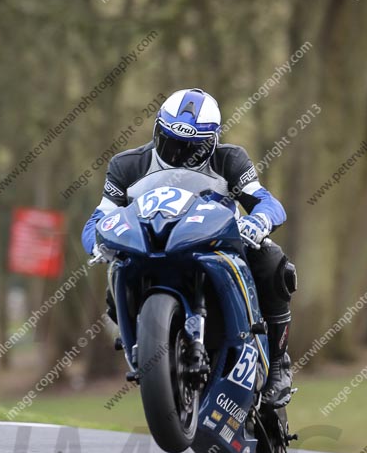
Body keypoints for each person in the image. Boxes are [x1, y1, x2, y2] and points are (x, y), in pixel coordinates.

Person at [81, 88, 296, 407]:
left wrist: (257, 222)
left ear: (213, 141)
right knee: (117, 270)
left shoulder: (230, 159)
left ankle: (278, 365)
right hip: (152, 246)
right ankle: (142, 345)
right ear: (157, 131)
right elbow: (98, 219)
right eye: (172, 141)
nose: (181, 153)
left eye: (194, 147)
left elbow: (267, 202)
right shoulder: (126, 166)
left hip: (215, 243)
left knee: (272, 259)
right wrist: (97, 243)